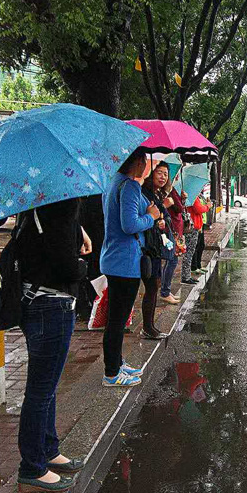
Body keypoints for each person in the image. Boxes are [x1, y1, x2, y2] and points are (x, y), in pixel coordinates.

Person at [16, 198, 88, 493]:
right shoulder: (61, 206)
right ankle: (32, 467)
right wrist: (82, 264)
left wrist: (78, 231)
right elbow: (66, 267)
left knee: (48, 385)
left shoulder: (34, 203)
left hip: (35, 301)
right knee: (40, 391)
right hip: (51, 305)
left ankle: (48, 449)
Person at [101, 150, 160, 385]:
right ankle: (112, 373)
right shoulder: (130, 187)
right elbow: (129, 225)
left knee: (117, 319)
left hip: (113, 258)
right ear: (137, 162)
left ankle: (117, 363)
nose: (146, 166)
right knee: (117, 320)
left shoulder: (113, 183)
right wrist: (151, 218)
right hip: (125, 262)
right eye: (145, 161)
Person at [141, 162, 176, 336]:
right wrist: (155, 218)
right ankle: (148, 327)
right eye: (159, 173)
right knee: (152, 286)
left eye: (165, 174)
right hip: (148, 247)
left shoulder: (157, 194)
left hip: (155, 245)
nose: (163, 177)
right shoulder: (144, 194)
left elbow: (161, 218)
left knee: (154, 285)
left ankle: (150, 326)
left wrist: (161, 221)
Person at [160, 179, 188, 304]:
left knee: (172, 260)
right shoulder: (168, 192)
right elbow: (179, 208)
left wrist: (182, 199)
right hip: (172, 230)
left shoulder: (172, 191)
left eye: (165, 174)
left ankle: (166, 290)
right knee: (172, 260)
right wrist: (179, 201)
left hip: (175, 229)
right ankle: (165, 292)